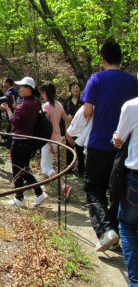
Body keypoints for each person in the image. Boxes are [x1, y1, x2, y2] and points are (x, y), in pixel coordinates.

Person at [81, 41, 138, 252]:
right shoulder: (133, 81)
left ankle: (106, 231)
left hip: (99, 143)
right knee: (118, 190)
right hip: (125, 146)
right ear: (121, 59)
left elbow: (87, 112)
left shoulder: (96, 78)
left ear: (102, 60)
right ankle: (114, 232)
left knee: (94, 187)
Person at [2, 77, 48, 208]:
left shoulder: (27, 104)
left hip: (20, 140)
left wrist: (8, 109)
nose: (19, 89)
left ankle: (21, 197)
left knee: (18, 169)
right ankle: (35, 193)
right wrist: (17, 107)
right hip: (28, 140)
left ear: (28, 89)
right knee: (24, 169)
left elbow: (15, 121)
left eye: (22, 87)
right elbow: (24, 117)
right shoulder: (35, 103)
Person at [113, 97, 138, 287]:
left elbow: (119, 140)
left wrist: (115, 137)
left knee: (128, 226)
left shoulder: (131, 106)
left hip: (135, 176)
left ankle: (135, 282)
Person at [39, 82, 71, 198]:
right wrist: (67, 134)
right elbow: (67, 119)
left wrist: (48, 142)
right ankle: (44, 188)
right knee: (46, 163)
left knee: (47, 167)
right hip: (58, 139)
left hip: (49, 140)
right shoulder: (58, 104)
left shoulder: (46, 106)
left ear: (45, 93)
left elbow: (46, 126)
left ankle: (64, 186)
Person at [62, 82, 86, 177]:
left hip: (81, 130)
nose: (75, 89)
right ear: (70, 90)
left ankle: (81, 170)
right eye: (73, 87)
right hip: (70, 129)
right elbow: (64, 118)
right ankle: (69, 168)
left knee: (80, 152)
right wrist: (66, 133)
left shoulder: (83, 101)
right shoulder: (67, 102)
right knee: (69, 150)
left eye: (77, 87)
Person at [1, 77, 19, 150]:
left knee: (11, 131)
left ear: (8, 83)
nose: (3, 84)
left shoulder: (10, 92)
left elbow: (10, 104)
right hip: (13, 113)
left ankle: (10, 148)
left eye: (4, 82)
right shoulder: (14, 91)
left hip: (11, 114)